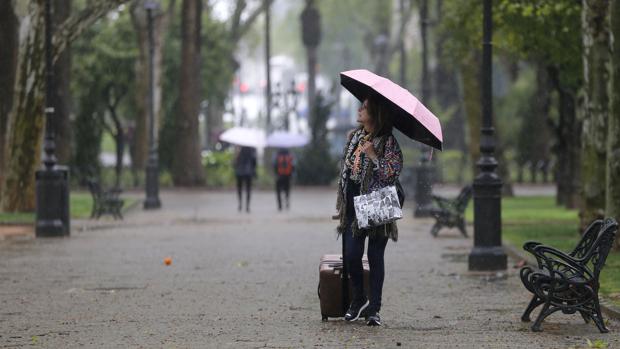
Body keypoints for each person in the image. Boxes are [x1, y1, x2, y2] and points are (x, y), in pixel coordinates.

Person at [335, 93, 403, 326]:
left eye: (364, 107)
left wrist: (374, 156)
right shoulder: (354, 137)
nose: (359, 110)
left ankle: (373, 309)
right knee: (351, 255)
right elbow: (346, 175)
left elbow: (391, 173)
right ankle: (359, 299)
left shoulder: (387, 142)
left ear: (375, 114)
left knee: (375, 257)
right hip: (353, 206)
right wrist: (343, 204)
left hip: (376, 206)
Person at [234, 146, 257, 212]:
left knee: (239, 189)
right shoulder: (251, 149)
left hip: (239, 172)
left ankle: (240, 204)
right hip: (248, 172)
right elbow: (254, 161)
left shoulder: (239, 149)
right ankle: (247, 206)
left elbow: (235, 163)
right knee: (248, 189)